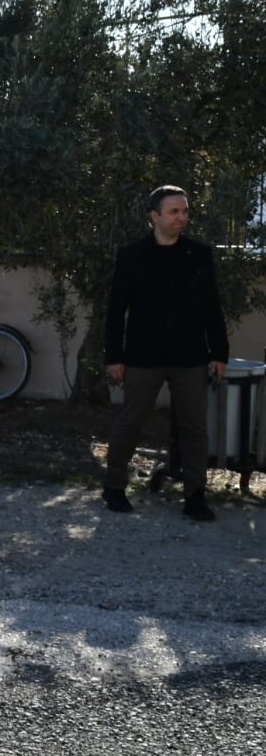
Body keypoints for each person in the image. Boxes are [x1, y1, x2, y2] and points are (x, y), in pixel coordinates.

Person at [102, 184, 228, 521]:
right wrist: (113, 356)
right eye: (174, 211)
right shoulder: (132, 256)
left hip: (190, 356)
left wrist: (220, 353)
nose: (181, 217)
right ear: (154, 216)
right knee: (131, 421)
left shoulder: (198, 254)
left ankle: (195, 496)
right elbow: (116, 310)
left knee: (194, 427)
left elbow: (212, 308)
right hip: (144, 355)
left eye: (185, 211)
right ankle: (114, 487)